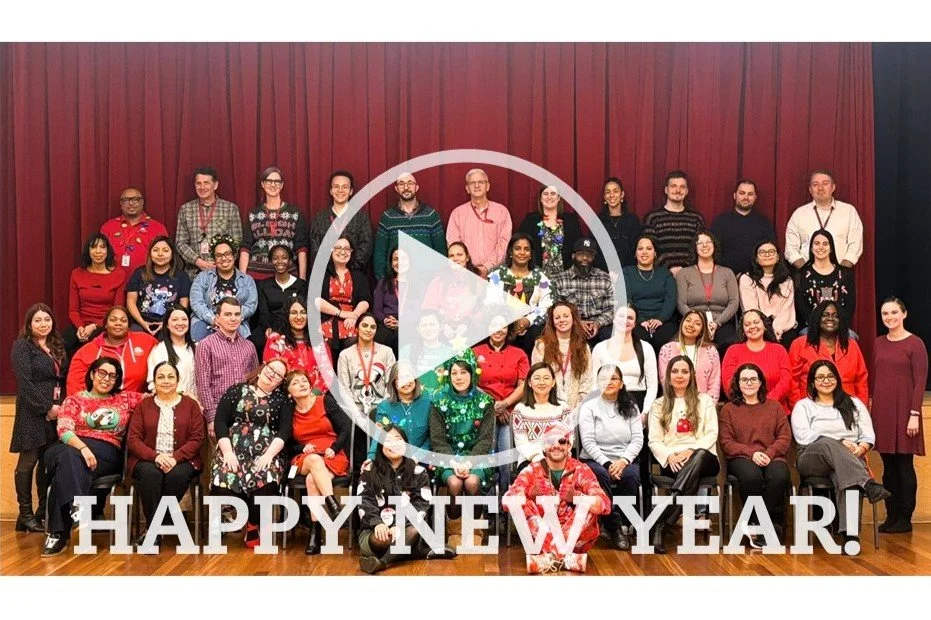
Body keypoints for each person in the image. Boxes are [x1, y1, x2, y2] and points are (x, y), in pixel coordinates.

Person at [42, 357, 145, 556]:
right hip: (71, 445)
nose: (107, 379)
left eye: (112, 376)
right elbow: (63, 430)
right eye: (102, 373)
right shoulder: (74, 400)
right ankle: (78, 509)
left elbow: (159, 395)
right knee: (69, 457)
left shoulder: (124, 399)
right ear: (92, 374)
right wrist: (83, 448)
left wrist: (185, 395)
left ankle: (58, 533)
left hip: (105, 452)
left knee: (64, 471)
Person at [791, 360, 890, 550]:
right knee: (828, 443)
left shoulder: (853, 403)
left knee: (846, 476)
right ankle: (866, 483)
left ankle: (850, 537)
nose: (826, 380)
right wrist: (839, 442)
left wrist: (861, 448)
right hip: (812, 458)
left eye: (830, 376)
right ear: (812, 382)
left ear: (837, 379)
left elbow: (867, 434)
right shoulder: (804, 406)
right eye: (820, 377)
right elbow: (803, 436)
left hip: (848, 459)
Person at [503, 421, 611, 573]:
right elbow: (507, 501)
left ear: (568, 446)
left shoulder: (581, 470)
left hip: (576, 540)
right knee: (520, 503)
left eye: (561, 441)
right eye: (550, 441)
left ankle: (550, 558)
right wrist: (530, 493)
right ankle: (566, 560)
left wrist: (577, 497)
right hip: (542, 538)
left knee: (588, 504)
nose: (556, 446)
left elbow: (604, 504)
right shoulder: (532, 470)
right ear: (543, 448)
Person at [211, 359, 293, 548]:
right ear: (263, 368)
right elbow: (220, 422)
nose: (272, 374)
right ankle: (250, 516)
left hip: (267, 452)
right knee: (221, 483)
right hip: (232, 450)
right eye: (271, 369)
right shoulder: (236, 390)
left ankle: (253, 524)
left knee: (267, 482)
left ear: (281, 382)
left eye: (278, 375)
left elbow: (285, 431)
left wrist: (269, 455)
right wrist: (227, 452)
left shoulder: (283, 401)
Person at [357, 425, 456, 573]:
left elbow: (421, 504)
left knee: (413, 531)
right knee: (381, 540)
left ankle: (383, 562)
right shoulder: (369, 471)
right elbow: (364, 501)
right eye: (388, 440)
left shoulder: (419, 472)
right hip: (375, 532)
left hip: (408, 530)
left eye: (398, 439)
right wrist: (378, 524)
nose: (394, 444)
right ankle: (419, 552)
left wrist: (400, 525)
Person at [127, 361, 205, 546]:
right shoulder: (144, 405)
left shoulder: (191, 405)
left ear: (178, 380)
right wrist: (156, 456)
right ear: (154, 381)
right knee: (150, 474)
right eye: (160, 377)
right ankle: (159, 527)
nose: (166, 381)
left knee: (176, 475)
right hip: (148, 459)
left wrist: (175, 458)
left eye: (171, 376)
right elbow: (133, 439)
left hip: (183, 460)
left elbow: (197, 438)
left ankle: (153, 530)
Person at [648, 355, 720, 553]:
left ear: (692, 376)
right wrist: (669, 456)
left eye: (685, 371)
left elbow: (712, 433)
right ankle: (666, 520)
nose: (679, 375)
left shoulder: (704, 401)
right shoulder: (659, 405)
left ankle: (663, 517)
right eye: (675, 371)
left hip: (705, 459)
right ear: (668, 376)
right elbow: (654, 440)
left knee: (699, 455)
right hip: (674, 462)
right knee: (690, 469)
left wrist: (691, 451)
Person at [870, 297, 928, 533]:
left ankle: (905, 517)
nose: (889, 317)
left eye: (894, 312)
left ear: (904, 314)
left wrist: (914, 414)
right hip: (883, 411)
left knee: (904, 465)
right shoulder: (878, 343)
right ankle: (891, 515)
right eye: (885, 313)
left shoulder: (915, 344)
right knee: (888, 467)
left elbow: (920, 381)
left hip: (906, 412)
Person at [719, 363, 792, 547]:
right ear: (737, 383)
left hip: (772, 456)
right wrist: (752, 453)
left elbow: (784, 437)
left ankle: (755, 524)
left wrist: (769, 453)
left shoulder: (774, 407)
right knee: (752, 476)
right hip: (742, 457)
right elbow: (726, 442)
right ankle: (767, 526)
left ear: (761, 382)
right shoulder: (728, 409)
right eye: (744, 379)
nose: (749, 383)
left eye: (753, 379)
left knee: (779, 476)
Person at [428, 348, 495, 547]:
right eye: (454, 373)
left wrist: (468, 463)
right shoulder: (438, 401)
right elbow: (438, 440)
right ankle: (455, 529)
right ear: (448, 375)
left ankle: (475, 529)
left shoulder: (485, 401)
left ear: (472, 373)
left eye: (463, 372)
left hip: (478, 457)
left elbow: (485, 440)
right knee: (455, 482)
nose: (458, 377)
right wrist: (455, 463)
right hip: (447, 457)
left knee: (472, 481)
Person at [10, 303, 68, 533]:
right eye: (37, 320)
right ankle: (24, 514)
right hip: (32, 410)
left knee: (47, 461)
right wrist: (46, 408)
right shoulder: (22, 346)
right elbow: (24, 383)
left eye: (47, 319)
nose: (43, 324)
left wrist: (59, 406)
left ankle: (42, 511)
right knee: (28, 460)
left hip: (56, 410)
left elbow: (62, 378)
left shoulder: (57, 344)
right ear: (29, 323)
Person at [579, 364, 643, 550]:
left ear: (621, 384)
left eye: (613, 378)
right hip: (595, 459)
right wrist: (607, 464)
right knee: (600, 475)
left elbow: (637, 439)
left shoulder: (631, 407)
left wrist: (623, 461)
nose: (609, 382)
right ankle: (613, 526)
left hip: (624, 459)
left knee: (631, 476)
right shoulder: (589, 407)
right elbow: (588, 442)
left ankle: (621, 523)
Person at [284, 369, 349, 554]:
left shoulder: (325, 401)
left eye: (304, 380)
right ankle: (333, 504)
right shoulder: (289, 411)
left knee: (312, 480)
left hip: (331, 454)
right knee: (313, 460)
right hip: (305, 457)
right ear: (289, 392)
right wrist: (301, 448)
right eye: (295, 383)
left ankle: (315, 531)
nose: (302, 384)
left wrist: (335, 447)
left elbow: (345, 428)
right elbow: (287, 443)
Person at [473, 317, 530, 487]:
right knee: (487, 451)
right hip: (483, 410)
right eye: (493, 325)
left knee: (506, 452)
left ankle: (505, 493)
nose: (498, 330)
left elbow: (523, 385)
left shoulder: (519, 354)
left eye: (503, 326)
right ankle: (486, 494)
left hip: (510, 411)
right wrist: (494, 406)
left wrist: (504, 404)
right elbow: (471, 384)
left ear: (509, 329)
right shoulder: (474, 352)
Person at [336, 313, 397, 470]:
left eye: (372, 327)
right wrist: (355, 412)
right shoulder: (345, 355)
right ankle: (357, 478)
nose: (369, 330)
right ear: (357, 328)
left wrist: (384, 407)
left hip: (380, 407)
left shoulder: (386, 352)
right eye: (364, 325)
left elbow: (391, 383)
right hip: (355, 407)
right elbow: (343, 387)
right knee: (357, 444)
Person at [194, 297, 260, 439]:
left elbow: (255, 382)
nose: (233, 318)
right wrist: (211, 418)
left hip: (246, 412)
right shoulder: (206, 345)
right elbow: (203, 384)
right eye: (228, 314)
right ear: (217, 318)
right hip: (219, 412)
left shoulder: (249, 346)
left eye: (237, 314)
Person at [788, 300, 868, 409]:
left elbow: (861, 380)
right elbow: (792, 381)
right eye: (825, 315)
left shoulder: (852, 345)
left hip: (847, 407)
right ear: (817, 318)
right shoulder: (800, 344)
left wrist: (861, 409)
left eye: (835, 316)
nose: (830, 318)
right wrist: (799, 409)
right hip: (811, 408)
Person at [486, 233, 554, 354]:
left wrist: (528, 320)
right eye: (518, 248)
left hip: (531, 328)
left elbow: (546, 305)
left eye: (526, 249)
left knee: (538, 332)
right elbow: (491, 302)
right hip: (503, 322)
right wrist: (510, 321)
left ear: (531, 254)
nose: (522, 252)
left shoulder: (541, 277)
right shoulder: (497, 275)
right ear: (510, 252)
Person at [238, 166, 311, 281]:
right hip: (257, 276)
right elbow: (245, 248)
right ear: (263, 184)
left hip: (287, 275)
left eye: (277, 182)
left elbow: (301, 248)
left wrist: (302, 278)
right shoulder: (253, 214)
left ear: (282, 185)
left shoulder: (295, 213)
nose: (273, 185)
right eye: (269, 181)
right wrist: (242, 279)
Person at [66, 306, 156, 395]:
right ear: (105, 324)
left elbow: (162, 355)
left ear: (129, 325)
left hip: (136, 401)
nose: (118, 323)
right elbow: (75, 389)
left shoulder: (146, 341)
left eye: (123, 321)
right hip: (98, 402)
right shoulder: (86, 352)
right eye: (113, 320)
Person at [373, 172, 446, 280]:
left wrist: (439, 280)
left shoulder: (431, 215)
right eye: (401, 184)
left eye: (410, 183)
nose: (406, 187)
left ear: (416, 187)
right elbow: (380, 254)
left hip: (427, 280)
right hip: (396, 281)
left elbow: (441, 251)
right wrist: (382, 281)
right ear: (396, 189)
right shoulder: (387, 217)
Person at [785, 169, 864, 269]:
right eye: (815, 184)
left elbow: (855, 245)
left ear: (833, 187)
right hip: (806, 275)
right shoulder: (799, 214)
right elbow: (791, 249)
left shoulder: (848, 211)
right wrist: (807, 272)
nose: (820, 188)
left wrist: (841, 272)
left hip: (841, 273)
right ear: (810, 189)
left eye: (825, 183)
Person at [675, 230, 740, 349]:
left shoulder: (727, 273)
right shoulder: (684, 273)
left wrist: (716, 323)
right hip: (693, 322)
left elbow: (734, 302)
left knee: (729, 343)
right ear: (695, 248)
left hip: (722, 322)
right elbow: (681, 303)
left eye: (708, 242)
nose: (704, 245)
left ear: (714, 245)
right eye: (700, 243)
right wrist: (699, 322)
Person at [175, 166, 243, 277]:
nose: (202, 187)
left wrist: (221, 262)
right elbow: (180, 243)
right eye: (198, 183)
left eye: (206, 183)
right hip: (193, 273)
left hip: (223, 272)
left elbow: (237, 241)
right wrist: (198, 262)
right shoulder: (185, 209)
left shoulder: (230, 209)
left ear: (215, 185)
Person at [66, 233, 126, 356]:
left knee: (90, 346)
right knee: (62, 345)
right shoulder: (77, 273)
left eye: (102, 247)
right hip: (81, 324)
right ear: (88, 251)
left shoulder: (119, 274)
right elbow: (73, 310)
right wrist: (81, 327)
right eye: (93, 247)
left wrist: (94, 326)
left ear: (108, 250)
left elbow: (117, 310)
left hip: (106, 324)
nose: (98, 251)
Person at [189, 234, 258, 342]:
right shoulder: (202, 277)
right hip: (206, 321)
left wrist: (231, 318)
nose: (224, 258)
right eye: (219, 255)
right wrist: (213, 319)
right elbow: (196, 302)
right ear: (214, 259)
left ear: (234, 255)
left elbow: (250, 305)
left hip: (235, 323)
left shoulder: (247, 280)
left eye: (227, 254)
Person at [591, 305, 658, 414]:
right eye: (621, 316)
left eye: (630, 318)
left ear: (635, 324)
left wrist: (645, 412)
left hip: (638, 404)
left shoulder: (646, 348)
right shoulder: (599, 348)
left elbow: (652, 386)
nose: (625, 320)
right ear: (614, 319)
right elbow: (595, 384)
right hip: (607, 403)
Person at [446, 168, 512, 277]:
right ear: (467, 188)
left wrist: (487, 267)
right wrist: (471, 269)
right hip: (466, 274)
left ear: (488, 186)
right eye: (472, 183)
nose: (477, 185)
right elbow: (454, 246)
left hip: (496, 273)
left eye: (481, 182)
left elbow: (504, 243)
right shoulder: (457, 214)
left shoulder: (502, 212)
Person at [721, 310, 792, 411]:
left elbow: (785, 381)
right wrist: (749, 404)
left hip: (775, 410)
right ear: (743, 330)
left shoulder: (779, 350)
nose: (752, 326)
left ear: (765, 325)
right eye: (747, 324)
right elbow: (728, 383)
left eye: (756, 322)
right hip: (742, 410)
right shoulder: (733, 351)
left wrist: (766, 403)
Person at [550, 238, 615, 345]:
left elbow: (611, 309)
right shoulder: (560, 280)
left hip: (599, 327)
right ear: (573, 256)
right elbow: (556, 309)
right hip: (571, 326)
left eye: (589, 255)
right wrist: (577, 322)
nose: (585, 258)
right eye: (581, 254)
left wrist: (597, 324)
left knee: (612, 334)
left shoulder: (605, 278)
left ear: (593, 257)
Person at [314, 235, 371, 358]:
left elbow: (365, 300)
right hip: (328, 317)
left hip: (352, 319)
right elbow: (316, 300)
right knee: (323, 341)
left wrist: (354, 315)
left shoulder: (358, 275)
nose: (342, 252)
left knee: (354, 341)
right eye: (338, 248)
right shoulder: (321, 274)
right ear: (331, 251)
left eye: (346, 249)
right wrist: (340, 313)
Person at [531, 302, 593, 410]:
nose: (562, 320)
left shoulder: (583, 348)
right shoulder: (541, 346)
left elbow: (586, 383)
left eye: (566, 316)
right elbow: (537, 378)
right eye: (557, 317)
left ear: (573, 319)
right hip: (547, 407)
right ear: (552, 322)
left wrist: (576, 410)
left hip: (576, 410)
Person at [125, 236, 192, 335]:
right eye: (156, 250)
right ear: (150, 253)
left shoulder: (181, 276)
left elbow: (183, 305)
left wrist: (166, 323)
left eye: (165, 250)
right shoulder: (139, 273)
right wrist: (143, 323)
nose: (160, 254)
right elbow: (130, 302)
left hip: (170, 323)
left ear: (172, 254)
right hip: (140, 322)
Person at [642, 170, 705, 275]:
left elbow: (701, 249)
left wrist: (684, 269)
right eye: (673, 186)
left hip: (691, 275)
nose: (678, 190)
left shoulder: (696, 218)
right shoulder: (653, 218)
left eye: (682, 187)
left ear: (687, 191)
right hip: (660, 275)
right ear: (666, 190)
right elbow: (648, 250)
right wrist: (668, 269)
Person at [421, 242, 482, 350]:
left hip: (471, 330)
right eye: (451, 256)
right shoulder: (438, 281)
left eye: (459, 255)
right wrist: (442, 325)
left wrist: (467, 324)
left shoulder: (478, 281)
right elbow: (428, 308)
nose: (455, 259)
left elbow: (483, 309)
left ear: (467, 258)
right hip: (442, 331)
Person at [511, 362, 573, 468]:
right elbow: (521, 443)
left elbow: (569, 439)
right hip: (530, 459)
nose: (542, 382)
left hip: (559, 458)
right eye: (537, 378)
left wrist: (555, 456)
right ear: (529, 382)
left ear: (553, 382)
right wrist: (538, 458)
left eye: (546, 378)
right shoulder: (520, 409)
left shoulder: (563, 408)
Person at [264, 298, 331, 394]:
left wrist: (312, 395)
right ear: (286, 315)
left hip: (314, 397)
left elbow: (327, 373)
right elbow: (271, 373)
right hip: (284, 396)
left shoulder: (319, 342)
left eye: (303, 312)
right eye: (294, 313)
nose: (299, 317)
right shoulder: (275, 340)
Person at [709, 180, 776, 276]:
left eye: (750, 194)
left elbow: (769, 252)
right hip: (725, 277)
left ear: (755, 197)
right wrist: (730, 276)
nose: (746, 197)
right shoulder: (720, 222)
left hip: (757, 277)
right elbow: (714, 253)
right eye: (742, 193)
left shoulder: (764, 223)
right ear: (734, 195)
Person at [368, 362, 432, 462]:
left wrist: (417, 457)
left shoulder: (428, 403)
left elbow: (431, 437)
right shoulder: (384, 407)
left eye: (408, 376)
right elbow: (379, 437)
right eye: (400, 378)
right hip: (393, 462)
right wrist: (371, 459)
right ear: (393, 382)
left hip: (422, 461)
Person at [309, 170, 373, 270]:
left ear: (351, 191)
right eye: (336, 187)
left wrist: (349, 269)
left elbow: (366, 245)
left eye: (345, 187)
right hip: (326, 273)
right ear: (331, 191)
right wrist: (332, 270)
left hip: (354, 272)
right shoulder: (320, 217)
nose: (340, 190)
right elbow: (315, 248)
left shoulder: (361, 217)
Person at [739, 239, 797, 346]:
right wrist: (766, 329)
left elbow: (786, 310)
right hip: (756, 325)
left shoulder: (787, 281)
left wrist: (776, 329)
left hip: (781, 326)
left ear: (778, 257)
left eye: (771, 251)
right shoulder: (747, 279)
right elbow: (750, 308)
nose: (767, 255)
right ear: (756, 258)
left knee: (791, 339)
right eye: (762, 252)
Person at [623, 234, 678, 347]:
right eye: (640, 249)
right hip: (636, 320)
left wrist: (660, 319)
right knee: (640, 340)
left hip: (663, 320)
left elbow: (671, 299)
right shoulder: (627, 272)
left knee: (664, 338)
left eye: (649, 248)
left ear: (655, 253)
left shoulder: (665, 273)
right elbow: (626, 299)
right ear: (635, 253)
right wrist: (640, 320)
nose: (644, 252)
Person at [253, 243, 308, 355]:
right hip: (271, 326)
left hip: (293, 326)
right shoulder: (264, 285)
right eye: (275, 258)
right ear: (270, 261)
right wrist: (267, 328)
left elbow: (302, 310)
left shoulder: (300, 285)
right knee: (257, 341)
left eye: (284, 258)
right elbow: (263, 311)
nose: (280, 261)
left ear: (290, 261)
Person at [517, 184, 583, 278]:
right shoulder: (530, 220)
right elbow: (519, 245)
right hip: (536, 278)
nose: (549, 197)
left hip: (566, 279)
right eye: (545, 194)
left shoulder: (570, 220)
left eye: (553, 193)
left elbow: (579, 248)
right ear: (540, 198)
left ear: (559, 198)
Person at [794, 229, 856, 329]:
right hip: (811, 329)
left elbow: (850, 306)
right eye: (817, 243)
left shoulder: (845, 274)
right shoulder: (801, 275)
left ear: (831, 248)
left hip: (840, 328)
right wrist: (817, 326)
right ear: (811, 248)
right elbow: (802, 307)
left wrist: (838, 326)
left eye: (825, 244)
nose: (821, 247)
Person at [100, 186, 169, 275]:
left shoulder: (158, 228)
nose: (131, 203)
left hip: (146, 279)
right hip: (113, 279)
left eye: (135, 199)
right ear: (121, 204)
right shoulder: (108, 227)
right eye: (126, 200)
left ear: (142, 202)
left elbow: (165, 258)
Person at [658, 311, 721, 402]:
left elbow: (715, 384)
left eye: (697, 323)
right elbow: (665, 381)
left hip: (704, 404)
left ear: (702, 329)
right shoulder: (667, 349)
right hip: (674, 403)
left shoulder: (711, 351)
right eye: (688, 320)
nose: (691, 325)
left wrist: (707, 406)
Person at [146, 304, 197, 399]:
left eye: (184, 319)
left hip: (196, 403)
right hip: (169, 402)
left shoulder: (197, 347)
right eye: (175, 320)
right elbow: (153, 384)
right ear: (167, 325)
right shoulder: (159, 350)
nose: (180, 323)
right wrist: (182, 396)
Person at [399, 310, 453, 396]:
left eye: (432, 324)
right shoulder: (406, 350)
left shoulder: (451, 352)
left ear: (440, 327)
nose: (428, 329)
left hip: (442, 399)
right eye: (424, 325)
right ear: (418, 329)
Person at [594, 176, 641, 271]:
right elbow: (594, 251)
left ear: (622, 194)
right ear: (604, 196)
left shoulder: (632, 220)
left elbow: (636, 249)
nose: (611, 195)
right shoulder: (597, 221)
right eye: (608, 192)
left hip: (628, 273)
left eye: (615, 191)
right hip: (603, 273)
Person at [372, 246, 409, 354]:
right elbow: (377, 310)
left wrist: (401, 323)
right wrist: (385, 320)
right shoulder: (383, 282)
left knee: (401, 335)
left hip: (408, 323)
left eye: (403, 259)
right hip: (386, 323)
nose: (399, 262)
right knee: (381, 338)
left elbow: (418, 311)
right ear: (391, 263)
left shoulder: (417, 284)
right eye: (396, 259)